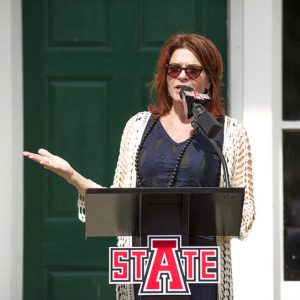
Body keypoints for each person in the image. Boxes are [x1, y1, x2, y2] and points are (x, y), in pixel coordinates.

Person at [23, 33, 255, 300]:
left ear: (210, 80)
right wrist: (73, 176)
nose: (181, 76)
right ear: (164, 75)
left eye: (192, 70)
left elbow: (245, 217)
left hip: (200, 271)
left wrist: (212, 208)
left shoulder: (231, 133)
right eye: (174, 69)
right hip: (145, 267)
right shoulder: (138, 126)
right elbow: (118, 203)